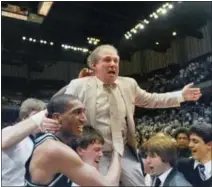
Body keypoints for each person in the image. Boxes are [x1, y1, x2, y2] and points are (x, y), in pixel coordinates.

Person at [54, 44, 201, 186]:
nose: (113, 64)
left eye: (115, 60)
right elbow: (59, 105)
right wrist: (43, 120)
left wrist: (180, 96)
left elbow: (151, 100)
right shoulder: (79, 85)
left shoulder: (128, 84)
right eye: (107, 60)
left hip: (123, 151)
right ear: (94, 65)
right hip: (96, 151)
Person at [25, 94, 121, 186]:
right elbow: (108, 185)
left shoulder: (49, 140)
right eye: (77, 112)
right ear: (57, 117)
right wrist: (118, 152)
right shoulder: (55, 149)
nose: (84, 119)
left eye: (84, 112)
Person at [2, 98, 60, 186]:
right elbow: (4, 141)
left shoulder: (43, 139)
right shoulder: (10, 131)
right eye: (36, 116)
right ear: (24, 118)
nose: (42, 120)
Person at [177, 123, 212, 187]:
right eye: (190, 140)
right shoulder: (181, 165)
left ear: (209, 145)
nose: (190, 145)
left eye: (195, 141)